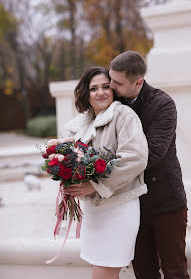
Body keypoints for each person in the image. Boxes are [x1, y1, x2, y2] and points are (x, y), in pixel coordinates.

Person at [109, 51, 190, 279]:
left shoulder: (163, 104)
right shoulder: (115, 103)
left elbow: (152, 153)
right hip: (132, 204)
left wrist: (102, 166)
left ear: (138, 82)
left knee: (175, 272)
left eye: (117, 82)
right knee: (144, 273)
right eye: (110, 79)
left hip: (167, 201)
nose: (111, 87)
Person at [62, 66, 148, 279]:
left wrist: (95, 185)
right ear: (86, 94)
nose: (100, 92)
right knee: (98, 268)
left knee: (104, 271)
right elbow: (78, 158)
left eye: (105, 87)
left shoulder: (123, 115)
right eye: (93, 89)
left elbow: (136, 157)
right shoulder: (84, 123)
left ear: (113, 90)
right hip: (93, 211)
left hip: (119, 207)